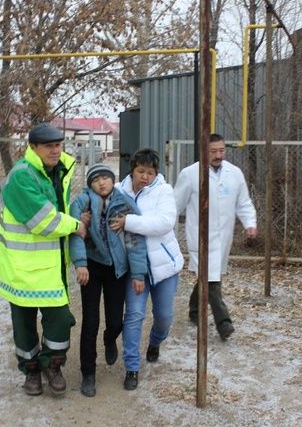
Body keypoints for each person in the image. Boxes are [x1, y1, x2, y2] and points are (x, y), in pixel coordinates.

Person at [0, 122, 87, 396]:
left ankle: (53, 365)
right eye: (49, 146)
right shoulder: (22, 176)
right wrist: (75, 225)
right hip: (21, 267)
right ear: (33, 147)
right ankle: (32, 371)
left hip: (50, 267)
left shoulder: (58, 170)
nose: (55, 151)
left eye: (58, 145)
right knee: (23, 325)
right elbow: (42, 219)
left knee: (60, 320)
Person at [69, 163, 148, 397]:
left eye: (106, 178)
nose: (101, 182)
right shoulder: (81, 202)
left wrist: (137, 274)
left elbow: (134, 239)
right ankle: (88, 374)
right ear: (90, 184)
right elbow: (76, 234)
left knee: (115, 321)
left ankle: (110, 338)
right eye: (96, 180)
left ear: (113, 180)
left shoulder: (124, 202)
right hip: (92, 268)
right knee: (90, 322)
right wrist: (81, 263)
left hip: (117, 268)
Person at [110, 148, 184, 391]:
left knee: (164, 317)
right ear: (131, 170)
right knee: (134, 316)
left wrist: (129, 222)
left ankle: (155, 342)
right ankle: (132, 366)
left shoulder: (164, 190)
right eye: (140, 171)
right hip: (135, 268)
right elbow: (108, 221)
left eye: (150, 172)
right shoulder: (118, 192)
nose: (144, 176)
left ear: (156, 174)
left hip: (164, 266)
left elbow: (164, 224)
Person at [173, 133, 258, 340]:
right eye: (213, 151)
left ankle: (194, 310)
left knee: (207, 276)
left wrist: (250, 224)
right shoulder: (190, 174)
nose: (218, 155)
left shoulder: (234, 174)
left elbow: (243, 202)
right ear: (204, 151)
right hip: (199, 237)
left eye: (221, 150)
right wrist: (166, 230)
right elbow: (176, 205)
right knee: (211, 280)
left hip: (222, 237)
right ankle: (224, 322)